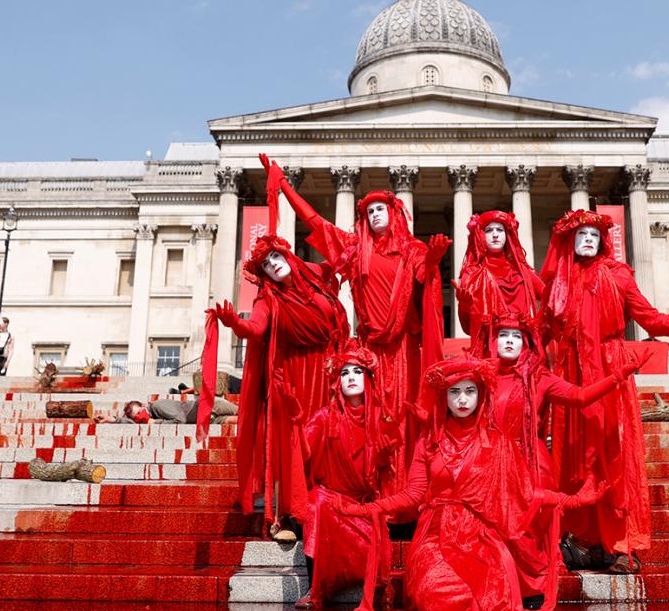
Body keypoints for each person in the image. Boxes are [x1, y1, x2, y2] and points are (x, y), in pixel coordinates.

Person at [539, 209, 669, 573]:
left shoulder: (618, 276)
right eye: (580, 234)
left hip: (610, 370)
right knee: (574, 457)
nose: (587, 239)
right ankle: (584, 540)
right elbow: (540, 331)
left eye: (594, 235)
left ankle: (619, 544)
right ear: (570, 239)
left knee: (614, 456)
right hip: (572, 373)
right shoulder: (559, 282)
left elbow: (650, 319)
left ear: (601, 243)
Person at [339, 356, 594, 611]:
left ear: (480, 395)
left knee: (488, 599)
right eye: (455, 392)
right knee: (436, 595)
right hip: (435, 535)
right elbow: (413, 494)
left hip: (481, 538)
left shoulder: (497, 442)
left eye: (469, 391)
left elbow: (525, 494)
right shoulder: (429, 440)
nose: (462, 400)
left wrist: (573, 500)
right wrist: (366, 509)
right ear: (444, 397)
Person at [266, 154, 450, 486]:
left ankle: (406, 496)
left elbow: (425, 283)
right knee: (370, 419)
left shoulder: (413, 250)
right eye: (369, 211)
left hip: (404, 349)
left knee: (404, 419)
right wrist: (283, 185)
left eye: (381, 208)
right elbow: (315, 222)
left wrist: (435, 262)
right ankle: (374, 492)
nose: (375, 214)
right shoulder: (354, 249)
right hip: (369, 351)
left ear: (394, 214)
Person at [487, 317, 649, 589]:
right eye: (503, 335)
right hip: (489, 462)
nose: (510, 341)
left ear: (527, 344)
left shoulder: (540, 378)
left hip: (529, 463)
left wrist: (617, 376)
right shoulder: (480, 376)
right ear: (492, 341)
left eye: (517, 336)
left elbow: (580, 396)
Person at [213, 233, 350, 542]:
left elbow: (344, 257)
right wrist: (234, 321)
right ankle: (289, 514)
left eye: (275, 257)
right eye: (265, 264)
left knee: (330, 439)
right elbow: (256, 329)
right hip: (291, 377)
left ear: (287, 254)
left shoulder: (316, 276)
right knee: (294, 444)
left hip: (327, 370)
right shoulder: (267, 298)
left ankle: (330, 507)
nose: (273, 265)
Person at [296, 342, 400, 611]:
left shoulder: (382, 419)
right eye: (344, 373)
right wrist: (294, 424)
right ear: (336, 382)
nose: (351, 377)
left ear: (368, 377)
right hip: (330, 499)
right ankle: (313, 586)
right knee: (316, 503)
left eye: (357, 371)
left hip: (362, 505)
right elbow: (304, 451)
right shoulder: (324, 417)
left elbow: (388, 476)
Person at [455, 211, 544, 355]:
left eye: (500, 230)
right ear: (480, 235)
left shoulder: (521, 272)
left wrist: (537, 326)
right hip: (489, 351)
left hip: (522, 350)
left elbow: (550, 297)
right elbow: (467, 327)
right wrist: (465, 306)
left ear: (507, 235)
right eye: (489, 230)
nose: (495, 235)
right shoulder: (472, 273)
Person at [96, 396, 237, 424]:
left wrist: (156, 423)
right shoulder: (143, 419)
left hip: (207, 406)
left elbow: (180, 419)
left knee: (242, 412)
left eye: (139, 412)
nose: (139, 416)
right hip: (204, 420)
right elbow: (129, 422)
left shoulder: (157, 405)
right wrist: (111, 419)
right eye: (136, 417)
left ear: (144, 406)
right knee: (239, 421)